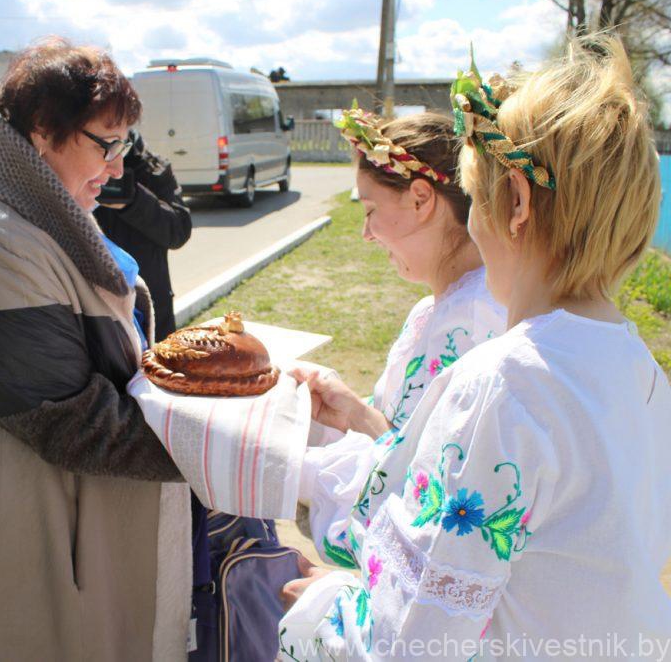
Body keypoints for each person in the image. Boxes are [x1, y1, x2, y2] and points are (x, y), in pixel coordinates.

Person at [279, 36, 671, 660]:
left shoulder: (505, 382)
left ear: (515, 203)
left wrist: (324, 604)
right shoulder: (644, 374)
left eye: (474, 194)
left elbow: (411, 641)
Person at [0, 38, 193, 661]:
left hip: (40, 521)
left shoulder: (31, 210)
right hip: (1, 534)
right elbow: (73, 423)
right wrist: (221, 444)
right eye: (106, 145)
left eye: (124, 147)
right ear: (42, 129)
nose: (117, 168)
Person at [295, 109, 505, 446]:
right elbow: (402, 435)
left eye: (370, 210)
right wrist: (352, 412)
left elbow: (430, 470)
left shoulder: (476, 319)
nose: (366, 233)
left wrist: (357, 416)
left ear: (420, 199)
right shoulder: (435, 309)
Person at [95, 130, 192, 340]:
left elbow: (179, 231)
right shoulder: (84, 162)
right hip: (98, 305)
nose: (115, 171)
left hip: (152, 303)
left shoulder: (154, 169)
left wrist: (134, 201)